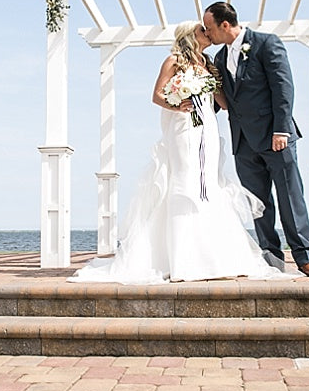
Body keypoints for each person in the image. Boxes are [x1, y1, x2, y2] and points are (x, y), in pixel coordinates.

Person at [69, 21, 290, 284]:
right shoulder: (172, 61)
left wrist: (220, 88)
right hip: (184, 128)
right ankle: (182, 257)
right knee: (186, 181)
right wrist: (179, 103)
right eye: (201, 31)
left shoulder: (210, 64)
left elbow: (222, 102)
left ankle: (217, 254)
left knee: (209, 183)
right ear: (189, 36)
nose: (208, 33)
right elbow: (157, 96)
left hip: (208, 129)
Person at [202, 1, 309, 277]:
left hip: (274, 136)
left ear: (225, 25)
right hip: (243, 142)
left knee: (290, 196)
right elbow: (223, 102)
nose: (207, 34)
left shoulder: (267, 43)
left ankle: (304, 257)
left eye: (209, 29)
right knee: (258, 203)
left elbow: (283, 87)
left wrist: (282, 130)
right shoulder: (219, 58)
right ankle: (271, 257)